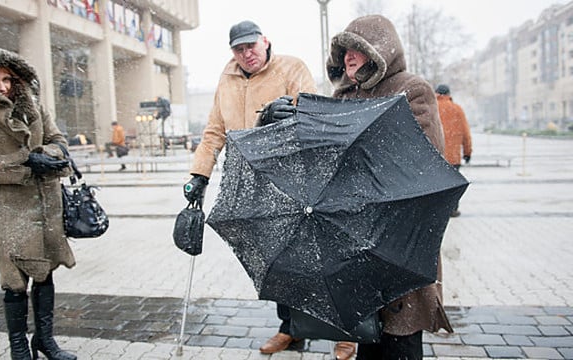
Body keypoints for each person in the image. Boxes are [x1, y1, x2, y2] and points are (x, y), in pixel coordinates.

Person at [182, 20, 317, 355]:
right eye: (239, 49)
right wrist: (199, 176)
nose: (246, 54)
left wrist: (284, 114)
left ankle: (312, 325)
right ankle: (290, 327)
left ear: (265, 41)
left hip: (287, 179)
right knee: (269, 259)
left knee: (297, 257)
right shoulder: (226, 80)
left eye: (250, 46)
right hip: (246, 182)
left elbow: (314, 114)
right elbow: (215, 130)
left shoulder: (291, 67)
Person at [325, 15, 453, 360]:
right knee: (366, 339)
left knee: (401, 341)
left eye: (357, 49)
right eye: (344, 50)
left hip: (399, 239)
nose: (348, 56)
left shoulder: (410, 89)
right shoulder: (343, 95)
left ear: (379, 51)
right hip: (356, 238)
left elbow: (424, 161)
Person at [0, 47, 77, 360]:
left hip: (46, 206)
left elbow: (59, 142)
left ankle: (45, 341)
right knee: (14, 282)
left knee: (46, 273)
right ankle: (19, 348)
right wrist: (24, 160)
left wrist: (47, 157)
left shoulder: (34, 107)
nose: (2, 86)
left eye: (7, 78)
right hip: (8, 211)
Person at [436, 84, 472, 217]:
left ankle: (438, 210)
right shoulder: (457, 110)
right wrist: (467, 152)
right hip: (453, 156)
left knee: (438, 184)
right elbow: (466, 134)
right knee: (453, 185)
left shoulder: (432, 108)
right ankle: (452, 209)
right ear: (449, 94)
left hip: (436, 156)